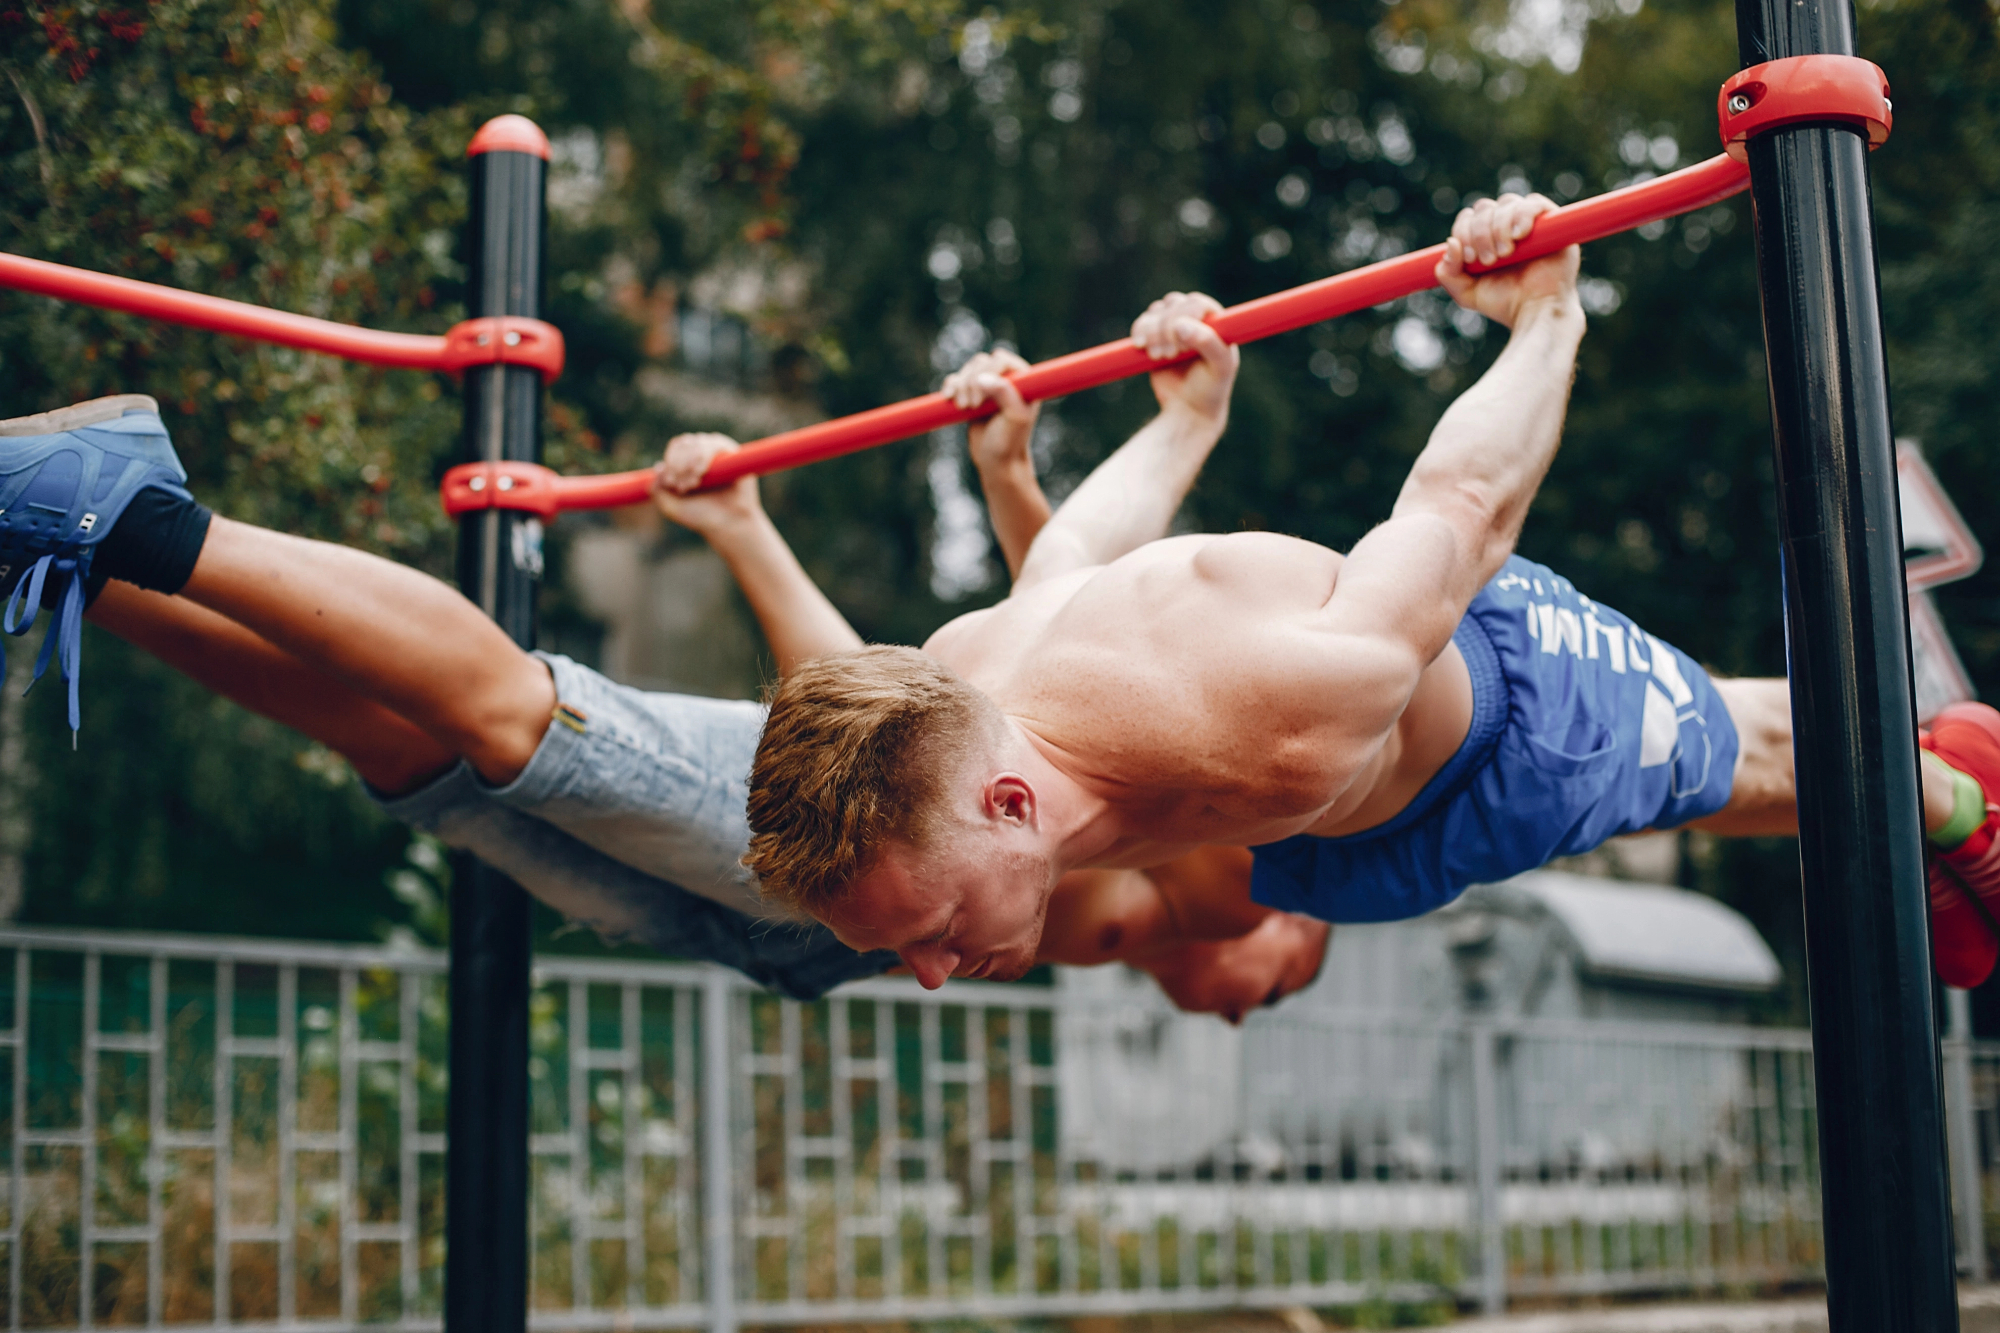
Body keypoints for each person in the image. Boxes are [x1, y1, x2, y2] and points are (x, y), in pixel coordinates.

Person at [735, 191, 2000, 993]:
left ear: (1010, 804)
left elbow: (1454, 515)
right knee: (1717, 772)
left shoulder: (1262, 712)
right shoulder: (964, 679)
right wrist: (1187, 420)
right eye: (905, 948)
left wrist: (1542, 316)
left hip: (1508, 725)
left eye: (935, 929)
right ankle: (1922, 778)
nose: (935, 974)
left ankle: (1947, 793)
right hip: (1332, 827)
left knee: (1734, 756)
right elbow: (1068, 557)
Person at [0, 344, 1325, 1016]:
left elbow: (889, 692)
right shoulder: (1230, 866)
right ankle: (134, 516)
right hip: (827, 861)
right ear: (1298, 929)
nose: (1236, 1013)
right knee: (519, 717)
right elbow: (1073, 628)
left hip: (787, 929)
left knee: (418, 761)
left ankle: (84, 564)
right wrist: (1082, 457)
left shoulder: (1110, 918)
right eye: (1276, 991)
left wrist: (749, 532)